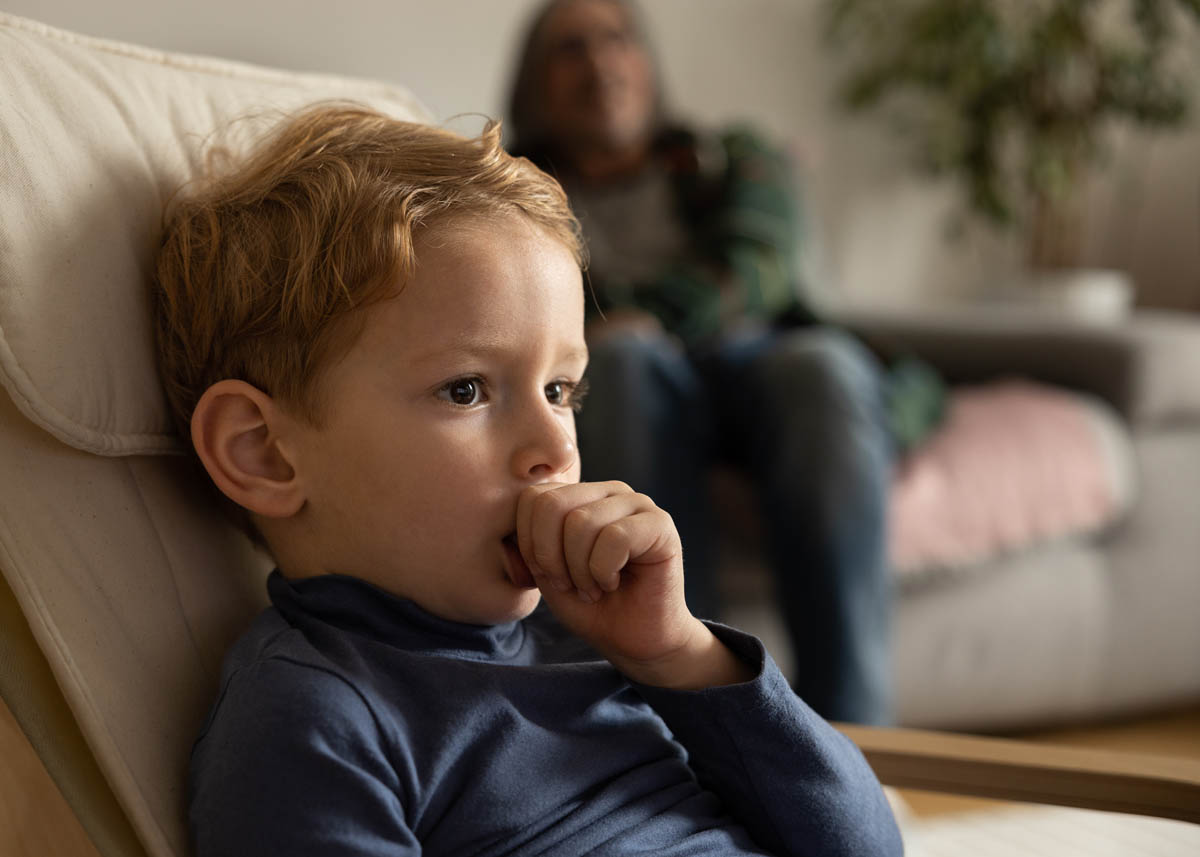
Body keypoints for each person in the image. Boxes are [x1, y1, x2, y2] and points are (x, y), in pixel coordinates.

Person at [152, 104, 901, 856]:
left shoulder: (601, 639)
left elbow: (866, 845)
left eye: (562, 391)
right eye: (467, 390)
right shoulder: (313, 717)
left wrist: (681, 652)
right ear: (265, 454)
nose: (554, 447)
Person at [506, 0, 894, 725]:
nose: (599, 64)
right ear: (531, 84)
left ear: (648, 65)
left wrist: (648, 313)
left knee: (825, 367)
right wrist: (623, 330)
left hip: (756, 364)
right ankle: (696, 710)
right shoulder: (513, 190)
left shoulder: (731, 154)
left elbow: (759, 266)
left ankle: (859, 737)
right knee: (619, 358)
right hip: (625, 380)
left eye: (617, 40)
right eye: (570, 49)